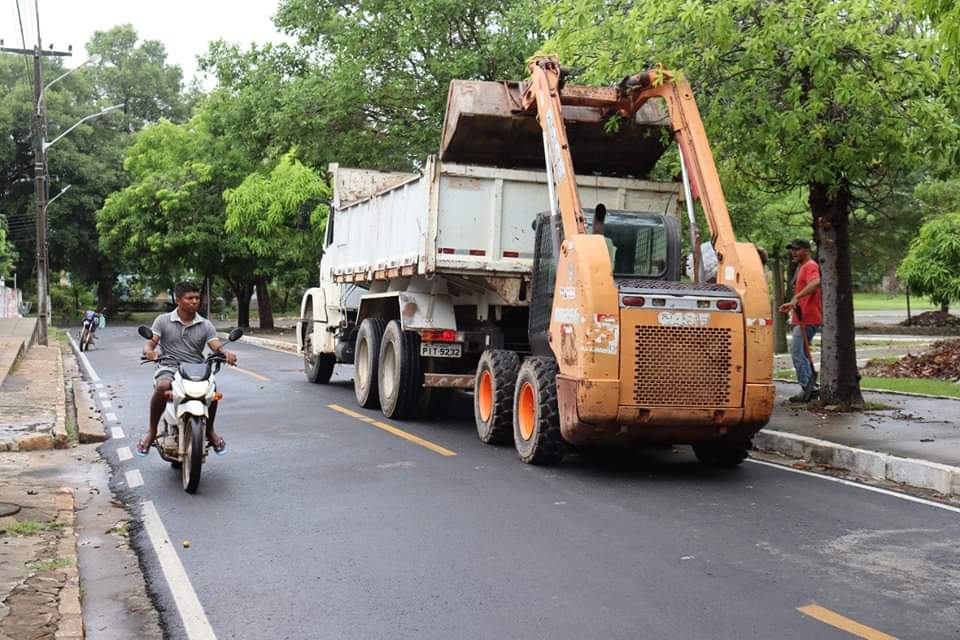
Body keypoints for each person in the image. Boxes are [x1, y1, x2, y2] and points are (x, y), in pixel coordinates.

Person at [136, 281, 237, 456]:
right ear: (178, 300)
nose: (194, 301)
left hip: (196, 369)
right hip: (169, 366)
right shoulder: (163, 320)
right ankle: (151, 431)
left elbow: (216, 346)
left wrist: (226, 353)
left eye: (197, 298)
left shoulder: (205, 324)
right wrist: (149, 352)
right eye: (189, 298)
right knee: (162, 386)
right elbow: (150, 343)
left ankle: (210, 431)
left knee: (212, 390)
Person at [778, 239, 822, 402]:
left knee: (797, 352)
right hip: (801, 316)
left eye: (797, 249)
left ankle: (809, 388)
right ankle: (811, 388)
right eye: (792, 250)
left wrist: (797, 297)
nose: (793, 252)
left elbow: (816, 282)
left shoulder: (810, 266)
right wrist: (792, 304)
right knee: (801, 352)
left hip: (808, 317)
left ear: (807, 250)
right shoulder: (801, 267)